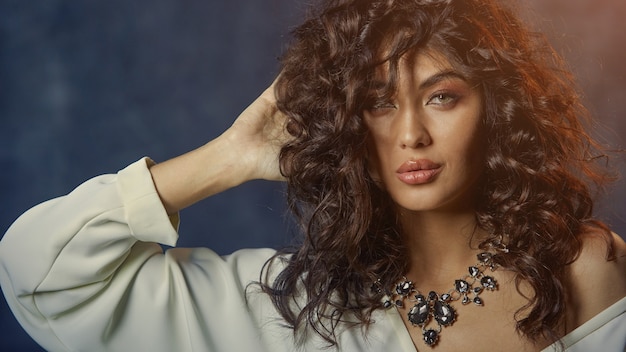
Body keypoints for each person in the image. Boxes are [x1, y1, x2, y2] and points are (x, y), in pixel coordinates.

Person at [1, 0, 625, 351]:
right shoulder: (290, 311)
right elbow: (38, 272)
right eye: (379, 103)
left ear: (495, 111)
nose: (411, 134)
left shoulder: (580, 270)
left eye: (442, 97)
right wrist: (232, 156)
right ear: (349, 123)